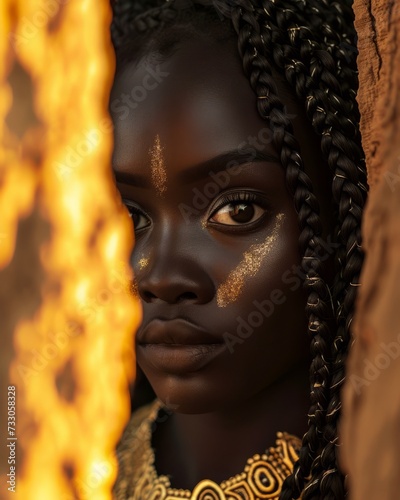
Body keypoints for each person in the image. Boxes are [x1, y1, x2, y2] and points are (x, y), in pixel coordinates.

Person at [110, 0, 368, 498]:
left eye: (238, 212)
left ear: (341, 210)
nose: (159, 275)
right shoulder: (62, 456)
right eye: (130, 217)